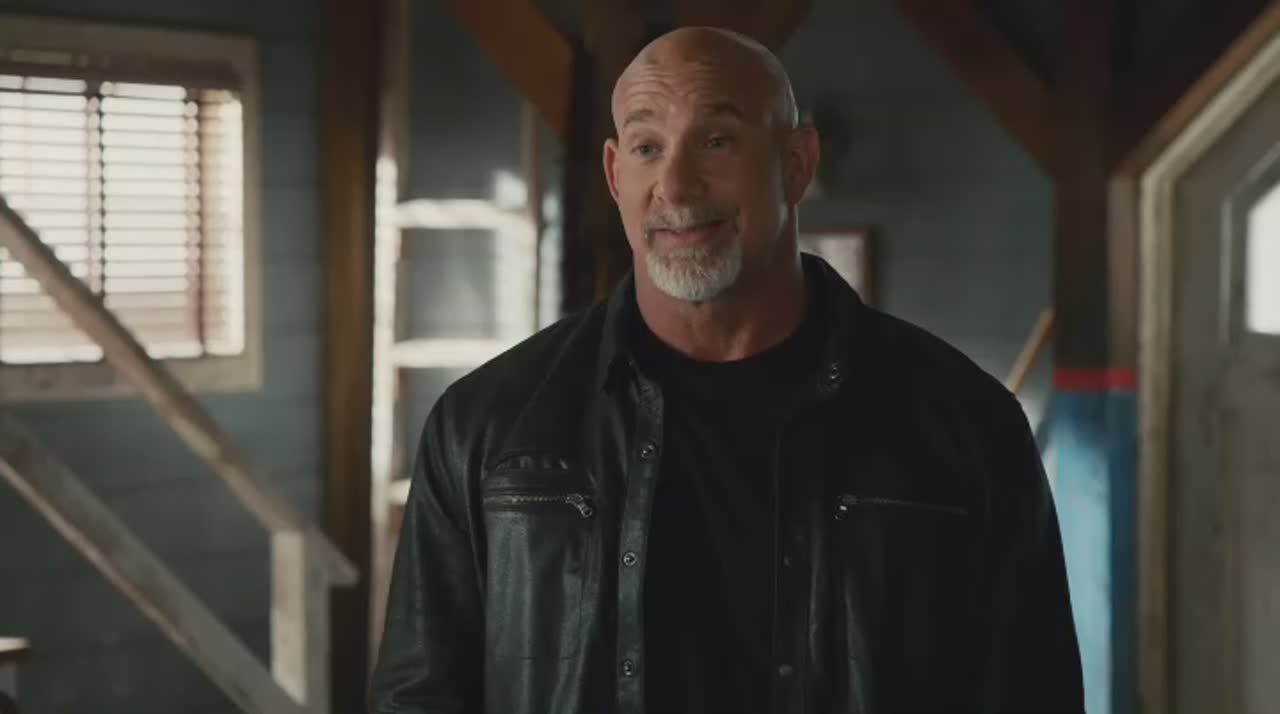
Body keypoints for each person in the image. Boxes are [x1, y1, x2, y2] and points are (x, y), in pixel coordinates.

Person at [369, 26, 1083, 714]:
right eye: (648, 147)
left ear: (796, 163)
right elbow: (417, 699)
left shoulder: (966, 426)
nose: (676, 187)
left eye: (716, 140)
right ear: (616, 175)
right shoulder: (486, 427)